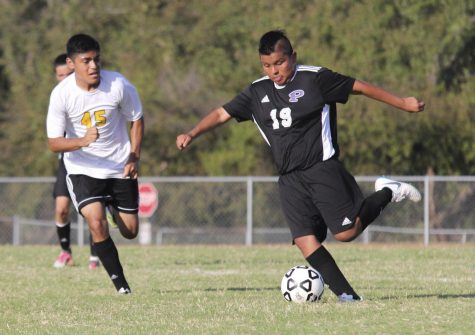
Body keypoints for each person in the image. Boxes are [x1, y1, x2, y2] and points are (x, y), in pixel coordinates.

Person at [176, 30, 425, 302]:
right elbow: (222, 113)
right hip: (289, 179)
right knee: (307, 241)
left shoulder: (316, 79)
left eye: (280, 63)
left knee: (347, 232)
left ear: (293, 57)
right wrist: (192, 132)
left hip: (322, 168)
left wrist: (403, 103)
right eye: (267, 65)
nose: (274, 71)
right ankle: (348, 296)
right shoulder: (257, 92)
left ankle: (388, 190)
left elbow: (359, 87)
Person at [46, 34, 144, 294]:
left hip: (119, 166)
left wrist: (134, 155)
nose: (93, 66)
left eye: (96, 59)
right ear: (71, 63)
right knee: (96, 222)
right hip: (83, 169)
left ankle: (113, 208)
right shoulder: (62, 95)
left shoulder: (118, 85)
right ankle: (121, 286)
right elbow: (54, 143)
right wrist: (81, 141)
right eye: (86, 60)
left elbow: (136, 118)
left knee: (131, 232)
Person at [51, 53, 102, 270]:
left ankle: (95, 256)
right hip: (67, 159)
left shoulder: (88, 94)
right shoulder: (58, 97)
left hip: (93, 160)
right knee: (61, 208)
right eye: (59, 75)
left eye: (67, 74)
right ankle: (66, 252)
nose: (64, 78)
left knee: (93, 211)